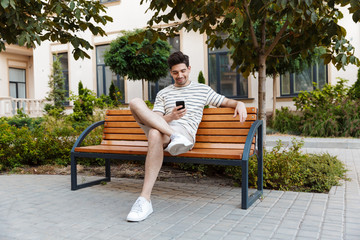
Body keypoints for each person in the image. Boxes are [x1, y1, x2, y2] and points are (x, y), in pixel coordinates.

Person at [126, 51, 247, 222]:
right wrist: (171, 117)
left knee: (154, 133)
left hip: (185, 133)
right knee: (134, 102)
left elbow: (226, 102)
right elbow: (155, 119)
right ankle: (173, 136)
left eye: (182, 71)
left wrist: (240, 103)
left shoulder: (202, 90)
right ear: (170, 73)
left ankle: (144, 199)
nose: (179, 75)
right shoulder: (163, 93)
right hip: (168, 130)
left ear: (189, 69)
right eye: (175, 72)